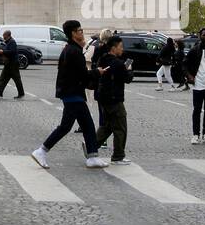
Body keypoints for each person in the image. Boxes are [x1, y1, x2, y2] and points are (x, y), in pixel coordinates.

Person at [31, 20, 109, 169]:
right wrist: (97, 72)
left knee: (84, 125)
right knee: (68, 126)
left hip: (71, 92)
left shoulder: (71, 49)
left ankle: (92, 157)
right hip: (73, 93)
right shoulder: (74, 51)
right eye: (80, 30)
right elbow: (82, 75)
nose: (82, 32)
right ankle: (41, 150)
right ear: (73, 33)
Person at [94, 35, 133, 163]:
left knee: (107, 125)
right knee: (120, 127)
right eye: (120, 47)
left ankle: (91, 145)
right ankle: (118, 156)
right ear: (113, 48)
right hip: (114, 98)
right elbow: (127, 79)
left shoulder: (103, 59)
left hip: (103, 97)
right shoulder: (118, 63)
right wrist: (129, 69)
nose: (122, 49)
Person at [184, 28, 205, 143]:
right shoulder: (194, 50)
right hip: (198, 84)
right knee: (197, 110)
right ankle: (195, 134)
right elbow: (185, 64)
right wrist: (189, 76)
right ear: (200, 36)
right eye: (204, 35)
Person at [0, 30, 25, 98]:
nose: (3, 37)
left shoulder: (12, 42)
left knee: (17, 79)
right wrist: (0, 52)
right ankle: (0, 93)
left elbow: (12, 52)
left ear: (8, 35)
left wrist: (3, 51)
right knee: (3, 78)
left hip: (13, 64)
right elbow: (7, 51)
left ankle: (21, 93)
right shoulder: (8, 42)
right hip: (8, 64)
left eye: (4, 35)